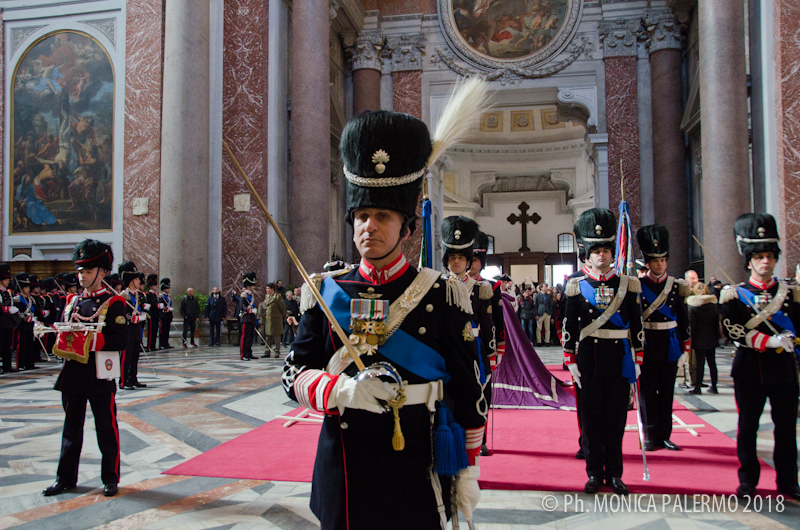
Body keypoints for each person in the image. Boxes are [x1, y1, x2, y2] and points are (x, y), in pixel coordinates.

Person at [282, 105, 487, 529]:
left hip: (417, 453)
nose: (368, 227)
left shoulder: (441, 292)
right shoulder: (324, 292)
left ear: (406, 228)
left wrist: (467, 467)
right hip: (343, 458)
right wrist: (341, 391)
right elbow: (293, 373)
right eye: (361, 216)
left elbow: (467, 387)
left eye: (382, 216)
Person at [718, 213, 800, 500]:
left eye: (769, 255)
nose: (766, 261)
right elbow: (734, 330)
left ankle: (789, 480)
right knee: (748, 427)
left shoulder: (791, 294)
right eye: (759, 256)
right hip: (749, 369)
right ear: (749, 260)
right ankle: (748, 480)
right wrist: (769, 340)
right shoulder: (734, 295)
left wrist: (790, 341)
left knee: (787, 428)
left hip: (784, 370)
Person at [563, 208, 644, 495]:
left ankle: (616, 474)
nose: (601, 256)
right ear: (587, 253)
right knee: (592, 420)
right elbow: (569, 326)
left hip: (619, 361)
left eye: (606, 250)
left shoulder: (627, 285)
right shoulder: (576, 287)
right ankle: (595, 473)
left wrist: (638, 358)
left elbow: (637, 325)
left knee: (616, 421)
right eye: (595, 250)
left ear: (613, 253)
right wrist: (570, 359)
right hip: (588, 363)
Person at [44, 239, 126, 497]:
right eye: (79, 271)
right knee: (70, 431)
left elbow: (121, 340)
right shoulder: (71, 302)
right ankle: (65, 478)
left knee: (106, 428)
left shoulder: (114, 304)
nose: (81, 276)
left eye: (87, 271)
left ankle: (110, 477)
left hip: (99, 375)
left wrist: (91, 340)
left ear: (102, 272)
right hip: (72, 375)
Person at [441, 217, 495, 456]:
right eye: (452, 257)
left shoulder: (480, 288)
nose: (456, 262)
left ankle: (478, 437)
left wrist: (492, 353)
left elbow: (488, 324)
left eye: (461, 258)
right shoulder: (437, 286)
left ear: (468, 261)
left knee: (477, 392)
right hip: (446, 346)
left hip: (474, 346)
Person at [636, 224, 691, 452]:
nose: (660, 264)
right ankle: (649, 434)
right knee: (647, 392)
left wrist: (686, 348)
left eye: (663, 260)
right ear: (647, 263)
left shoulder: (677, 287)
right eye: (656, 261)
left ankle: (665, 435)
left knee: (667, 391)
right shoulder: (637, 286)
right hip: (647, 344)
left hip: (669, 344)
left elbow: (683, 318)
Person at [686, 282, 719, 394]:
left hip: (699, 338)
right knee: (712, 363)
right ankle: (714, 386)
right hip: (712, 337)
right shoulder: (713, 306)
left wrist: (690, 337)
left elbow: (692, 324)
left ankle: (697, 387)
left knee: (699, 363)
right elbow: (716, 323)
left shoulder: (694, 306)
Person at [118, 261, 146, 389]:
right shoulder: (124, 295)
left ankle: (133, 378)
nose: (139, 281)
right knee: (126, 355)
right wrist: (130, 319)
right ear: (130, 281)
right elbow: (120, 314)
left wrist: (142, 317)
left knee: (135, 354)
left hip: (136, 328)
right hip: (127, 328)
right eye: (136, 279)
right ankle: (123, 380)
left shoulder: (138, 295)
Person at [13, 272, 40, 370]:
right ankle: (20, 364)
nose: (28, 289)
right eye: (26, 287)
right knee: (22, 344)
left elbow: (35, 310)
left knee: (30, 344)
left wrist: (35, 318)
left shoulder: (30, 299)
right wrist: (26, 317)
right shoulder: (17, 299)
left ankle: (29, 363)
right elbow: (17, 312)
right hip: (22, 324)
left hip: (30, 324)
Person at [0, 264, 20, 374]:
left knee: (7, 346)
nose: (8, 281)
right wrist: (7, 309)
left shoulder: (7, 292)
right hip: (1, 322)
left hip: (7, 323)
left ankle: (7, 366)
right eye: (6, 279)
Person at [232, 273, 257, 360]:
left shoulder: (251, 295)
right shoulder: (244, 295)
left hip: (251, 318)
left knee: (250, 337)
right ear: (248, 286)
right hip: (245, 318)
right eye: (252, 286)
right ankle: (243, 354)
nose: (253, 287)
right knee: (244, 337)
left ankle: (249, 353)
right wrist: (250, 310)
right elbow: (242, 307)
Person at [259, 283, 286, 358]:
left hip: (276, 320)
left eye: (268, 288)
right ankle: (267, 351)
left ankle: (277, 351)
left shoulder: (277, 297)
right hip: (268, 320)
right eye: (266, 288)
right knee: (268, 336)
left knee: (277, 336)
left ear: (272, 289)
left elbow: (283, 309)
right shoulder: (267, 296)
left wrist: (281, 317)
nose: (267, 290)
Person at [144, 274, 160, 352]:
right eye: (153, 285)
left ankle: (153, 345)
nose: (155, 286)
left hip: (156, 314)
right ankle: (150, 345)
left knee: (155, 330)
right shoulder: (148, 295)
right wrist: (156, 306)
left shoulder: (154, 294)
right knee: (151, 331)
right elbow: (150, 304)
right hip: (151, 314)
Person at [158, 278, 174, 349]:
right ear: (164, 289)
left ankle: (166, 343)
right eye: (167, 288)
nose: (168, 289)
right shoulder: (161, 296)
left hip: (168, 315)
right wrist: (165, 309)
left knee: (167, 330)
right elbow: (161, 305)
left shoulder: (168, 297)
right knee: (163, 330)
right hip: (163, 315)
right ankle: (161, 343)